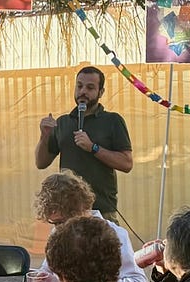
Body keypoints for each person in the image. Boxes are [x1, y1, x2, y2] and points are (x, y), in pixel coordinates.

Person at [34, 66, 133, 223]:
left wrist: (93, 147)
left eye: (90, 87)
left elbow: (127, 163)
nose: (83, 92)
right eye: (79, 86)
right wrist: (44, 136)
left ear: (101, 92)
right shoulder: (63, 122)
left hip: (101, 211)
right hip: (67, 213)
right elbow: (41, 163)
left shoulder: (112, 121)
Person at [33, 171, 148, 282]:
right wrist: (41, 280)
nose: (57, 229)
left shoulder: (113, 234)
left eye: (61, 222)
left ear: (79, 211)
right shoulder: (60, 232)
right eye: (54, 223)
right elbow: (47, 271)